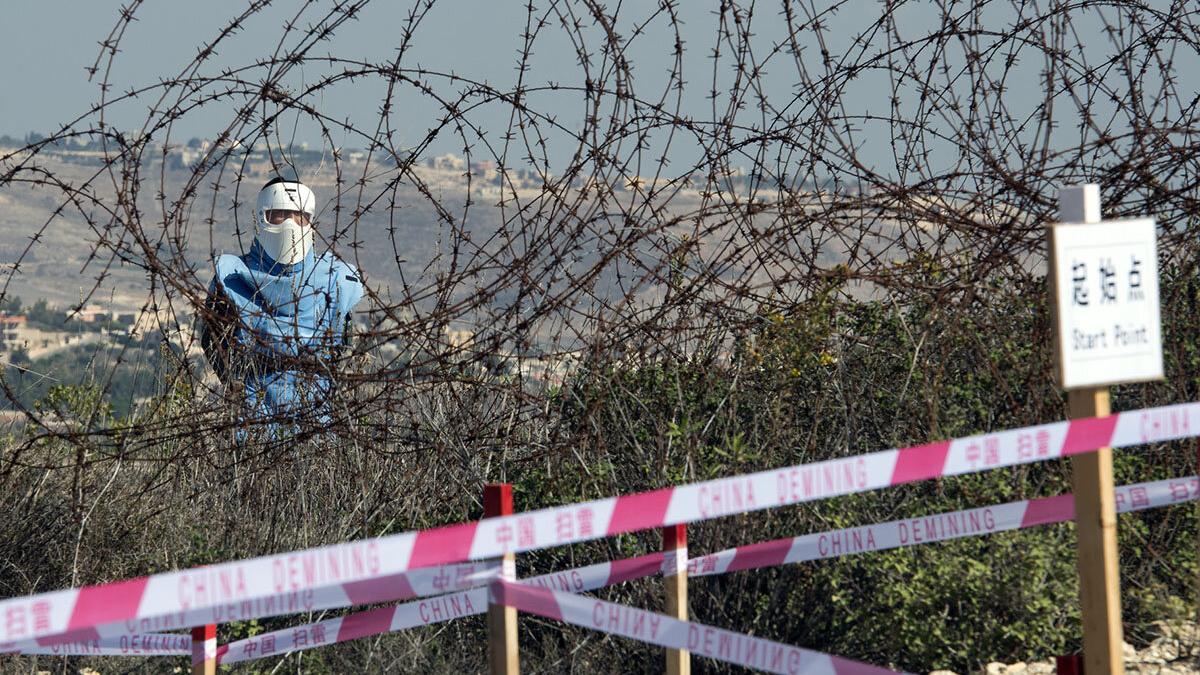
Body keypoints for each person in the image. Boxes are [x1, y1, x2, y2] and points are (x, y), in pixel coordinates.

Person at [200, 176, 363, 426]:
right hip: (254, 417)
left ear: (310, 219)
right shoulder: (231, 278)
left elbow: (341, 345)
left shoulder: (337, 279)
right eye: (280, 213)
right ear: (262, 216)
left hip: (316, 415)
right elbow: (214, 343)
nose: (290, 224)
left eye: (299, 215)